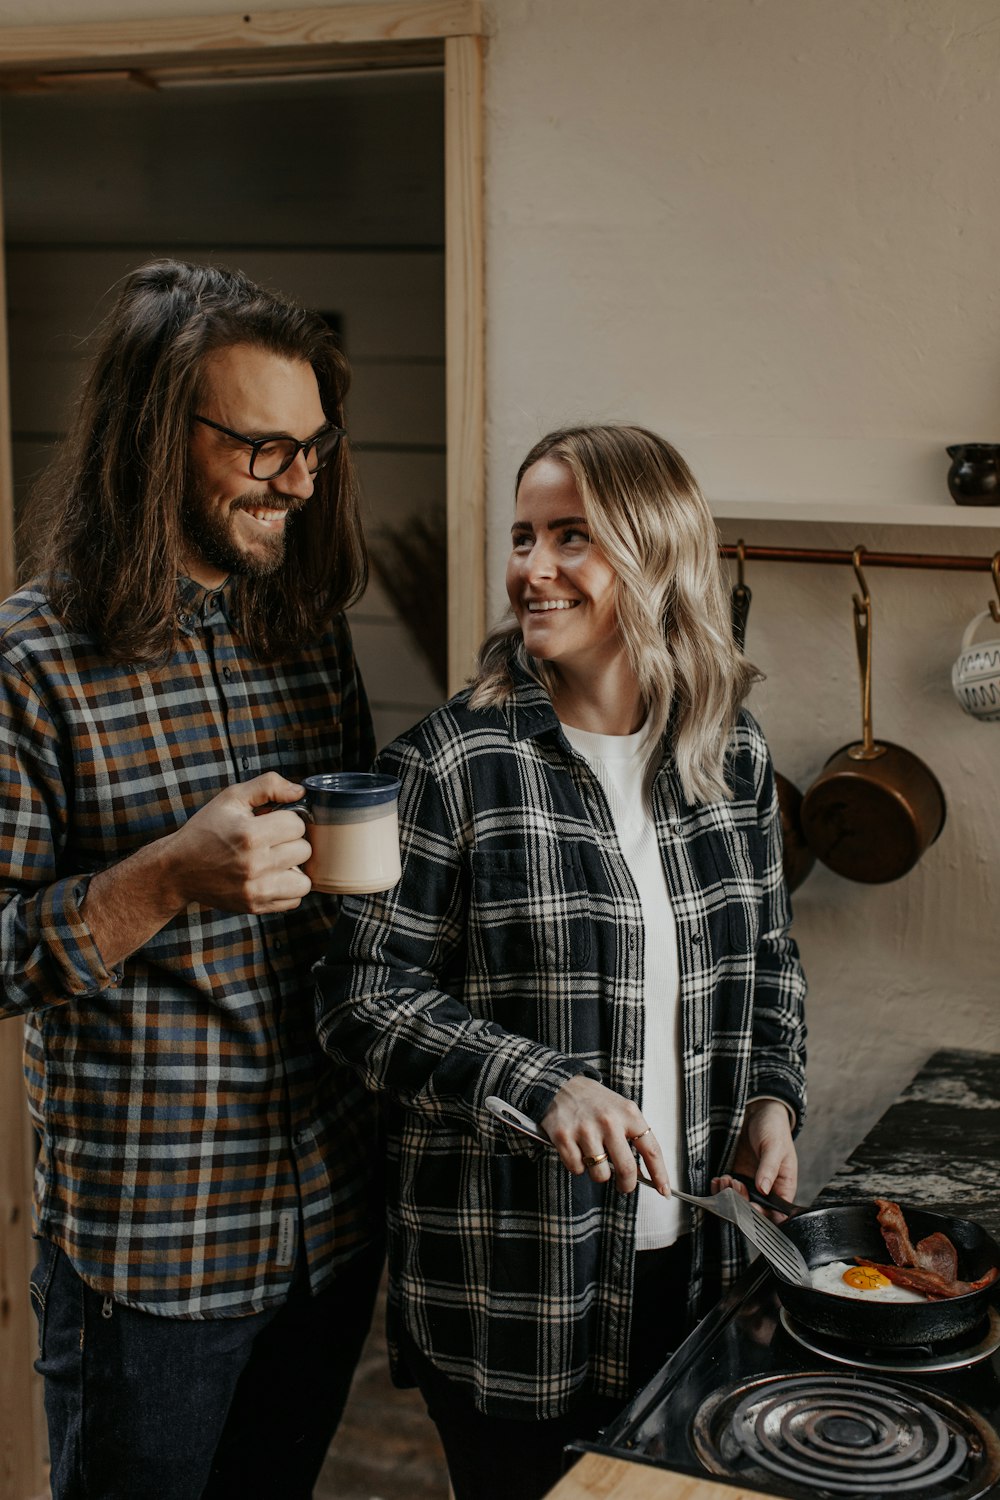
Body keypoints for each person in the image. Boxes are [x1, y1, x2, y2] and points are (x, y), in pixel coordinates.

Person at [314, 423, 808, 1500]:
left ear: (655, 553)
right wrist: (538, 1084)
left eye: (571, 537)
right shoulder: (450, 763)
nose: (531, 570)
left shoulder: (733, 754)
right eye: (524, 536)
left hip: (701, 1271)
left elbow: (770, 962)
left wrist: (770, 1096)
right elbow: (360, 1001)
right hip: (516, 1294)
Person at [0, 259, 384, 1500]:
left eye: (316, 448)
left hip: (327, 1228)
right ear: (157, 435)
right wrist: (163, 877)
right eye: (266, 447)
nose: (301, 483)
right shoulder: (30, 665)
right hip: (152, 1258)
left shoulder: (305, 635)